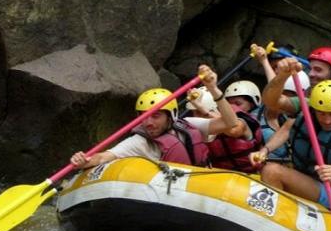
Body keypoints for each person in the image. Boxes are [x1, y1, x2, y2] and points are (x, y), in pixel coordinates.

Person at [69, 65, 238, 169]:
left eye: (155, 116)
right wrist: (85, 161)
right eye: (143, 116)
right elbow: (105, 156)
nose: (148, 122)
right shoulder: (140, 142)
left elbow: (231, 123)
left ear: (171, 116)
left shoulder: (188, 125)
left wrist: (213, 88)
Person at [251, 78, 331, 209]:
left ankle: (279, 215)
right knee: (268, 168)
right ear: (314, 109)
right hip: (303, 178)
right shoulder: (307, 108)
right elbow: (279, 115)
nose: (327, 120)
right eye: (321, 113)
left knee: (271, 171)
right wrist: (264, 151)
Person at [187, 81, 264, 172]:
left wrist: (205, 112)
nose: (196, 118)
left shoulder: (242, 122)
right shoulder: (192, 127)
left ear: (215, 110)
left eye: (199, 112)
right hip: (220, 179)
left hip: (251, 176)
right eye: (194, 113)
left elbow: (233, 130)